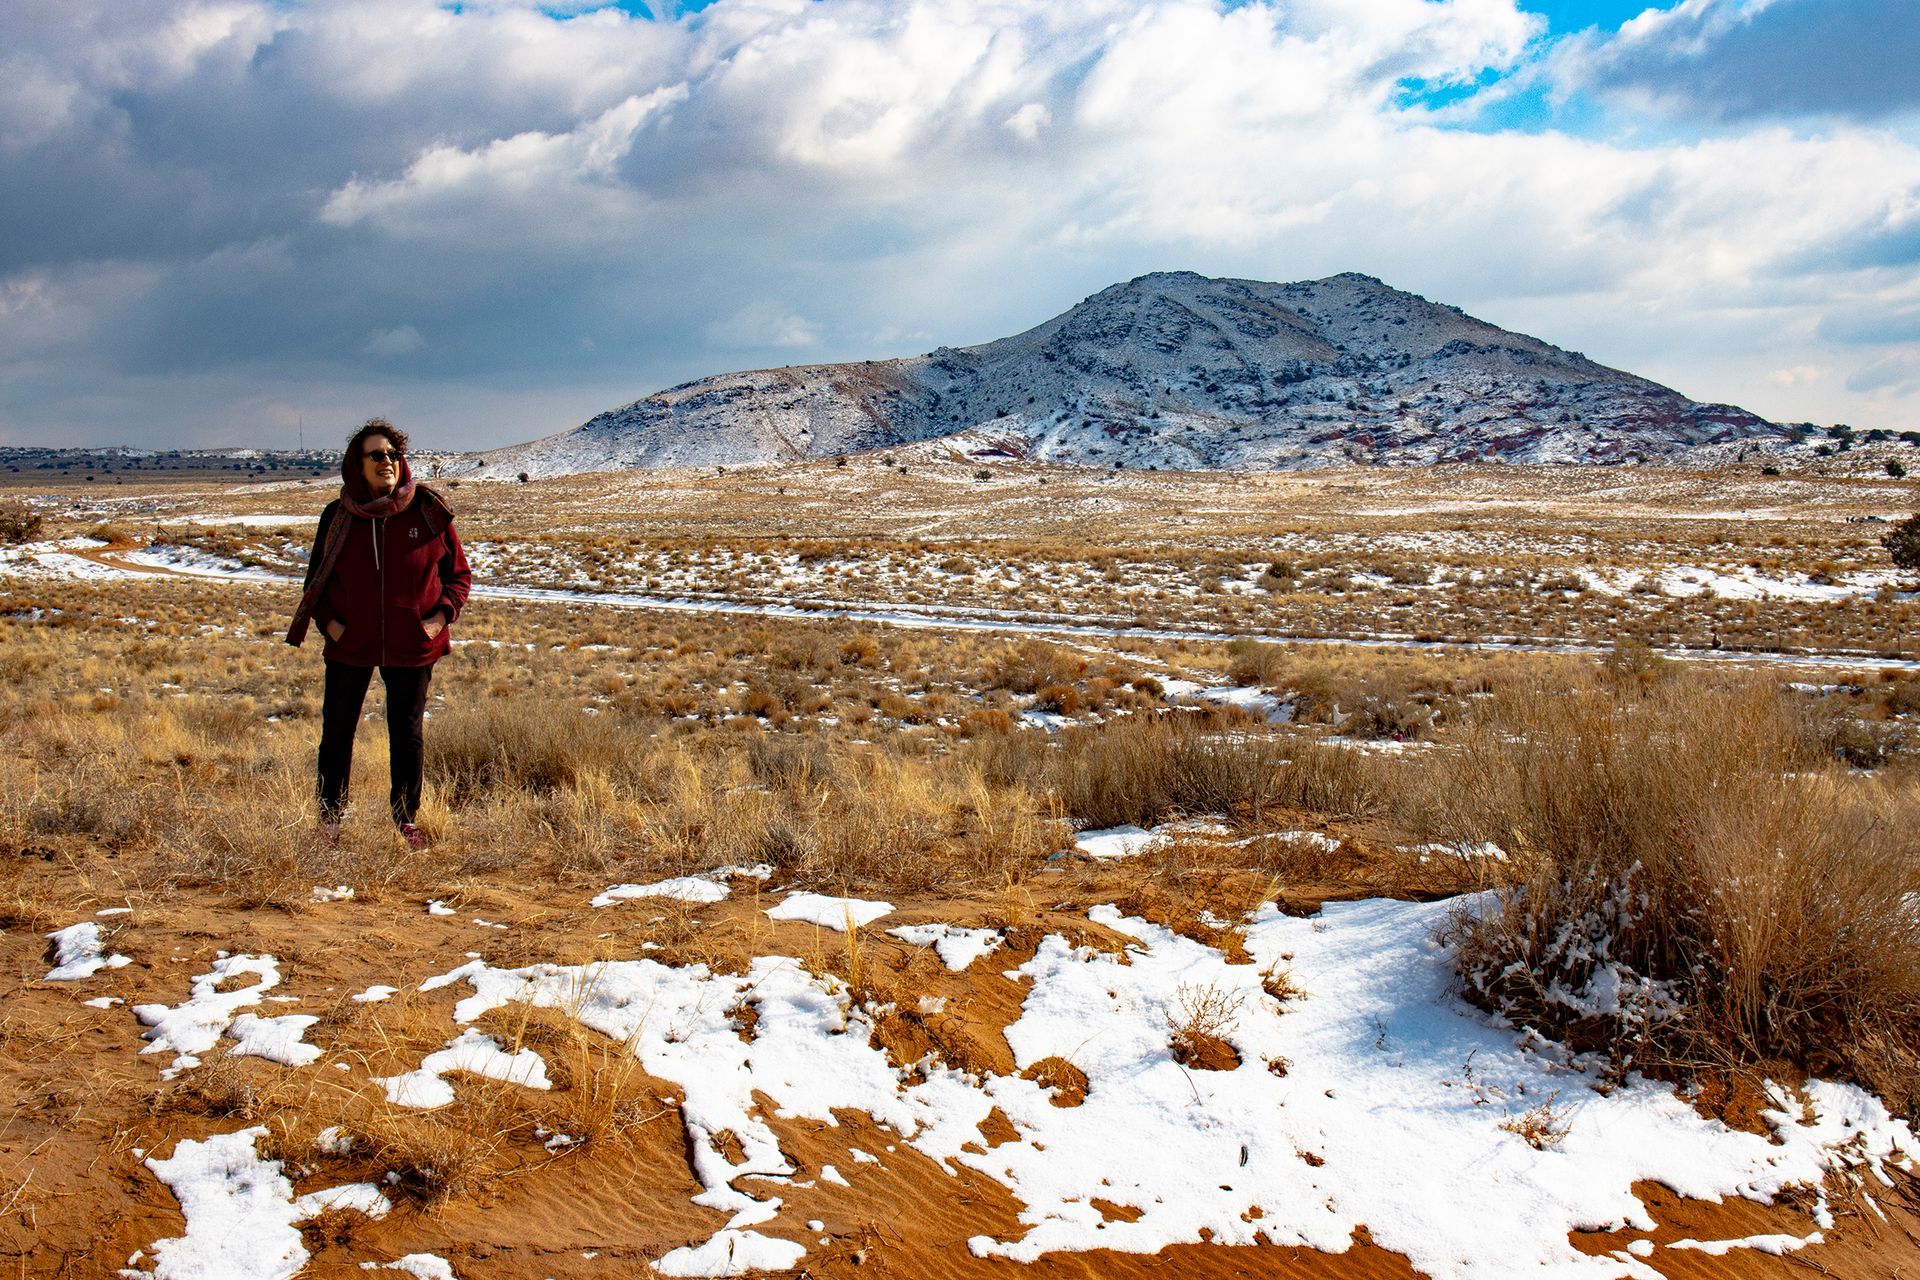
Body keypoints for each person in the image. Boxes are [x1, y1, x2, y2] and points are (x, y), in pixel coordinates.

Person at [287, 418, 471, 849]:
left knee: (406, 734)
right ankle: (330, 821)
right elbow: (317, 581)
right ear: (358, 464)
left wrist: (438, 619)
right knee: (337, 731)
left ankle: (406, 820)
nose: (386, 461)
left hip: (412, 644)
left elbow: (458, 576)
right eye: (376, 455)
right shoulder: (338, 516)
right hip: (351, 643)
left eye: (392, 454)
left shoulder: (427, 510)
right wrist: (331, 625)